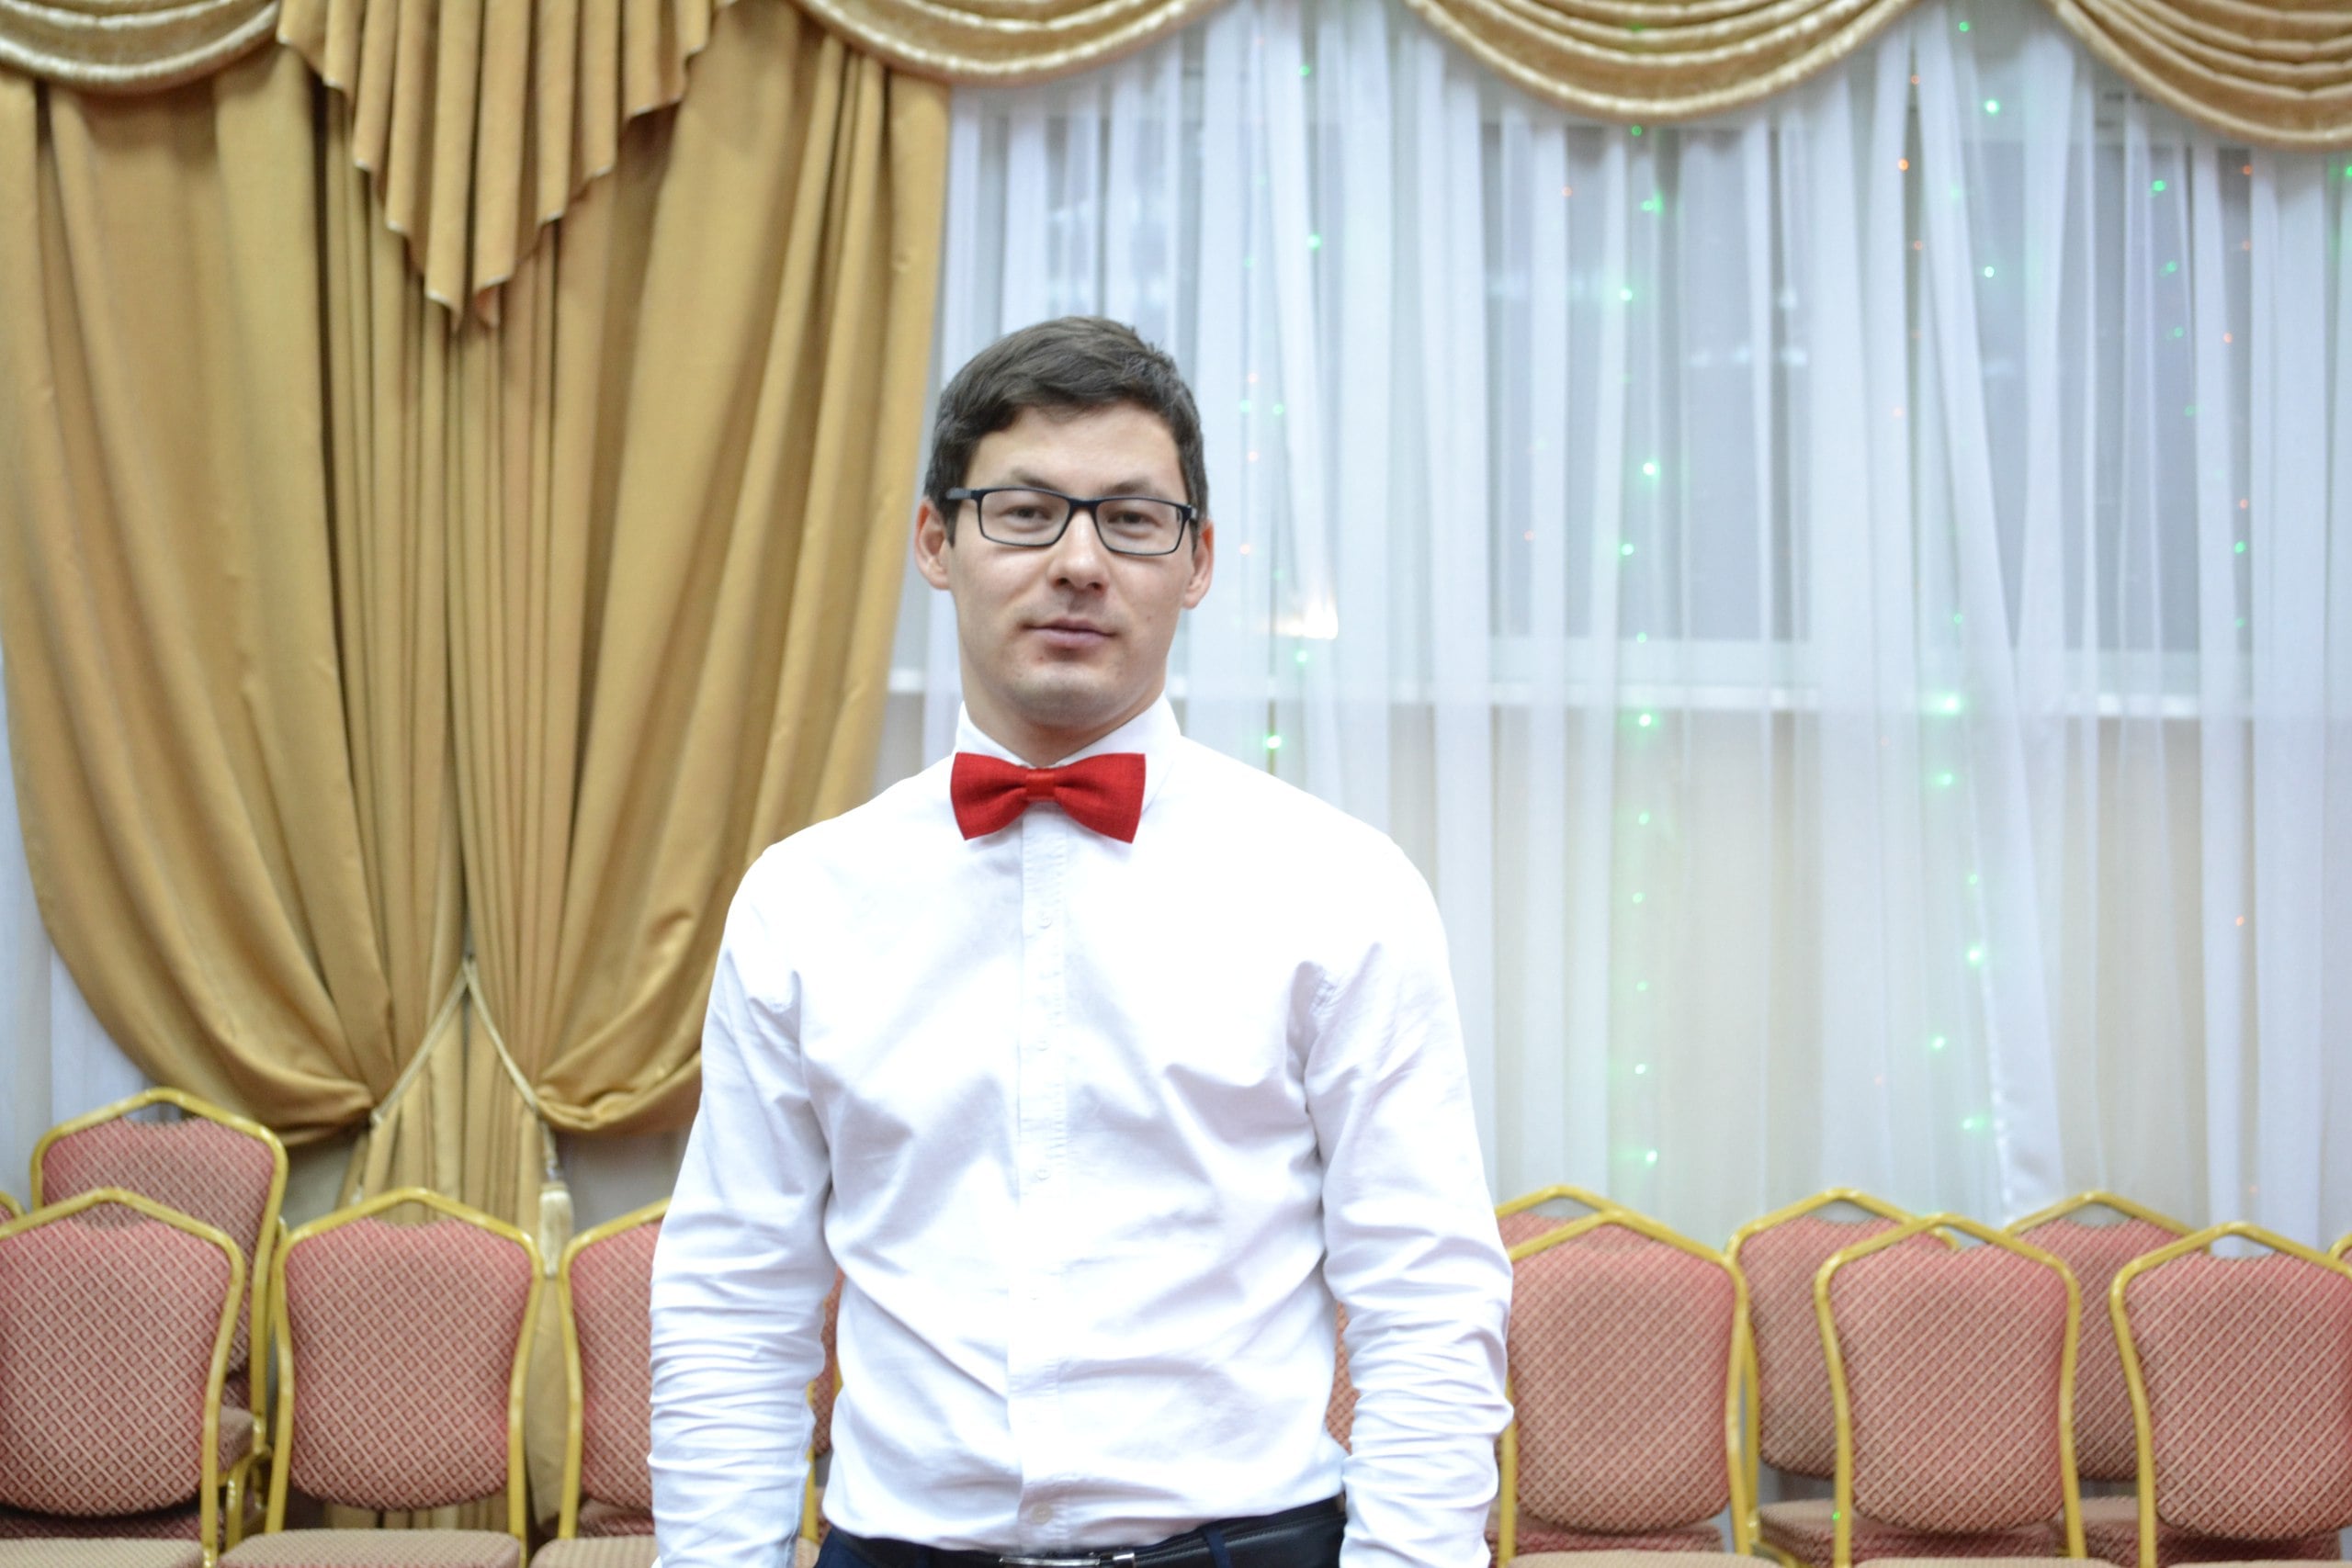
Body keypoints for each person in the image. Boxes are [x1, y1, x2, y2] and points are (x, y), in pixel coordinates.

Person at [649, 316, 1511, 1568]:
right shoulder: (803, 900)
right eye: (1025, 512)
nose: (1079, 562)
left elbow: (1428, 1298)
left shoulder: (1341, 888)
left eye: (1132, 520)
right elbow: (734, 1304)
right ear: (936, 541)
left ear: (1197, 560)